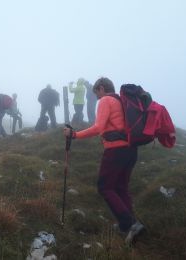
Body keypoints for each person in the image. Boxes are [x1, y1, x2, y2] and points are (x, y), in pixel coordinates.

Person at [63, 77, 144, 244]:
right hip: (131, 150)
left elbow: (99, 127)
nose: (97, 97)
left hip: (115, 150)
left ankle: (130, 224)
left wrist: (75, 135)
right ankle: (128, 224)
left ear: (101, 88)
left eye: (96, 93)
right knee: (121, 187)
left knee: (105, 187)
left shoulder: (106, 100)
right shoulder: (122, 101)